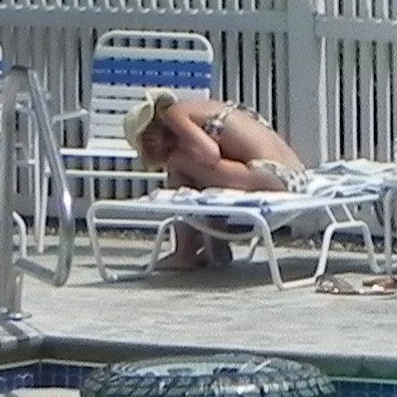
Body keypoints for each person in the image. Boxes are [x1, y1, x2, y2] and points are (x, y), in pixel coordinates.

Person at [124, 92, 309, 272]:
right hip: (294, 175)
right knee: (198, 171)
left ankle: (185, 252)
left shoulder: (173, 114)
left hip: (274, 173)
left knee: (178, 161)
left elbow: (210, 154)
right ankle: (217, 247)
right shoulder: (204, 108)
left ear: (150, 134)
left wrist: (181, 156)